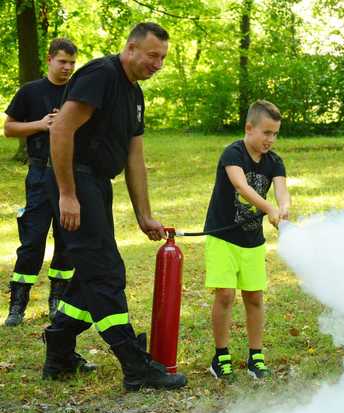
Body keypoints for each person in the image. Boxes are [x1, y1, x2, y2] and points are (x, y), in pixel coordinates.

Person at [43, 22, 186, 391]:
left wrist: (144, 215)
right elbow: (61, 130)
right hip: (74, 179)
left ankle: (58, 352)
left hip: (97, 184)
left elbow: (134, 157)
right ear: (131, 48)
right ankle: (135, 366)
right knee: (106, 273)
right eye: (153, 55)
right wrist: (67, 193)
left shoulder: (135, 94)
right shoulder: (100, 75)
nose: (158, 64)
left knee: (90, 272)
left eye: (163, 58)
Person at [204, 100, 291, 380]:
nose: (271, 139)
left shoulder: (274, 161)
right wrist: (269, 209)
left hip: (252, 240)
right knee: (226, 295)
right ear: (249, 128)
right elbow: (241, 185)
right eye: (266, 132)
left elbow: (281, 190)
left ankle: (256, 356)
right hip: (222, 236)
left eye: (275, 133)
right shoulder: (233, 153)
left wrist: (283, 210)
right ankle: (221, 357)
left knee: (254, 297)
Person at [3, 38, 78, 326]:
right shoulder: (31, 91)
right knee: (32, 241)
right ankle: (17, 305)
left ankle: (57, 301)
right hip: (39, 173)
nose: (67, 67)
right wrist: (42, 124)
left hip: (71, 175)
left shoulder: (78, 92)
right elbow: (9, 128)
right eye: (62, 61)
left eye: (72, 62)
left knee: (67, 240)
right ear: (49, 59)